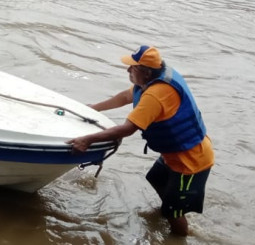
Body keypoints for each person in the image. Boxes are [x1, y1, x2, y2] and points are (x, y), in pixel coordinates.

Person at [67, 45, 214, 237]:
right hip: (175, 155)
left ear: (145, 72)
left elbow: (128, 129)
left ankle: (178, 234)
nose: (128, 70)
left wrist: (87, 140)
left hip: (191, 162)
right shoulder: (150, 81)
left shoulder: (156, 95)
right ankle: (170, 206)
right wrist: (95, 108)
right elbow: (127, 96)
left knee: (173, 211)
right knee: (155, 178)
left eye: (132, 68)